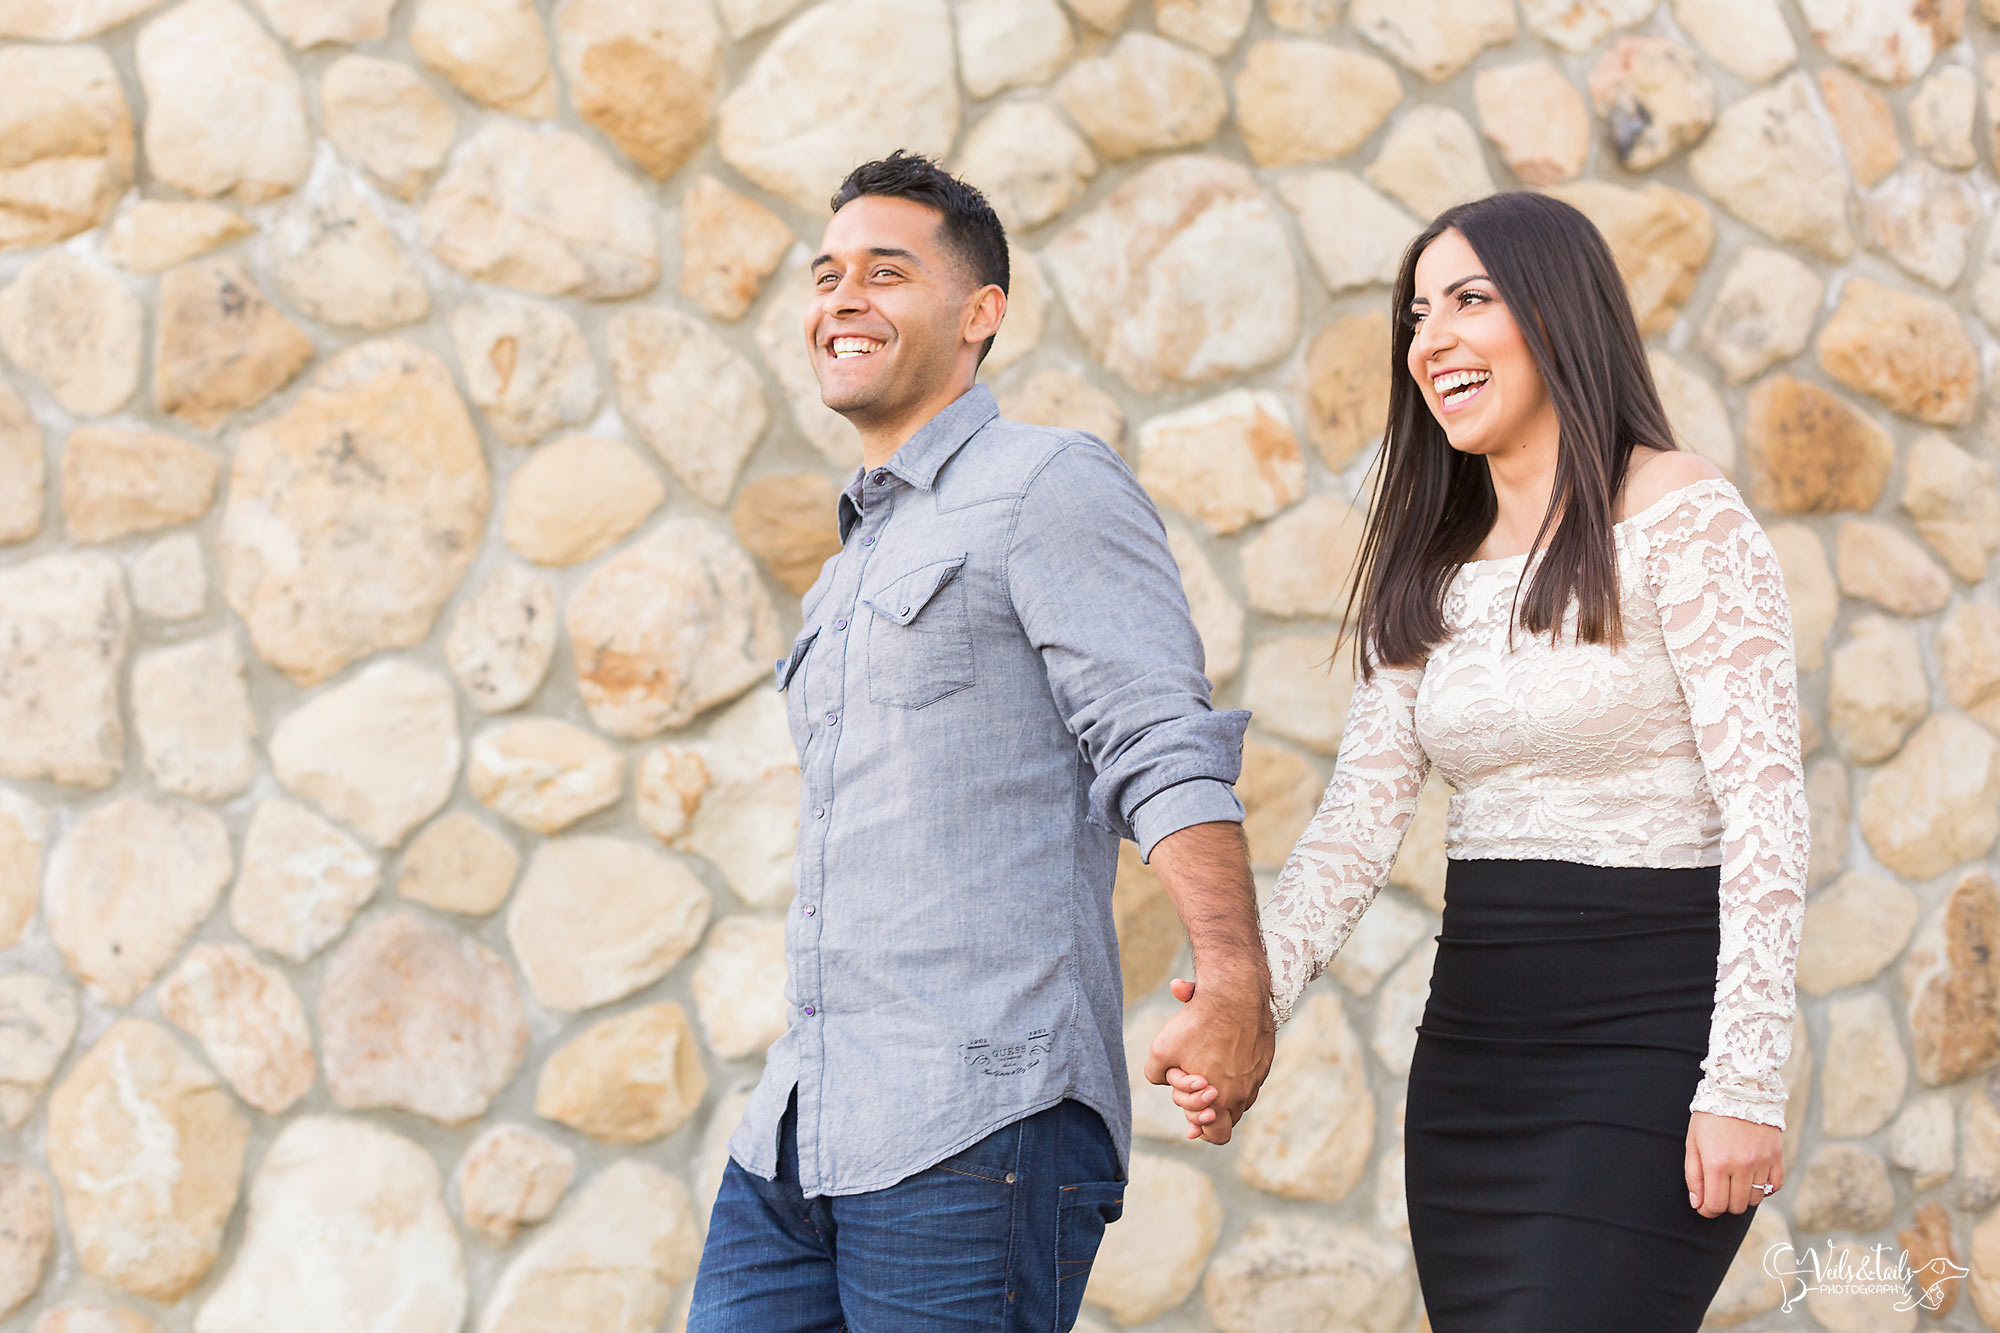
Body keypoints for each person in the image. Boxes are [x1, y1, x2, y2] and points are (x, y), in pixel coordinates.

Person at [1167, 192, 1808, 1330]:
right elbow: (1357, 821)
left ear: (1559, 313)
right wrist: (1245, 993)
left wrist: (1745, 1079)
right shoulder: (1430, 562)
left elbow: (1768, 812)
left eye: (1470, 299)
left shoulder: (1683, 515)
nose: (1431, 340)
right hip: (1474, 1060)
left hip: (1648, 1051)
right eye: (1417, 314)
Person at [687, 151, 1275, 1333]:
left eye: (885, 272)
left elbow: (1156, 738)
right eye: (825, 274)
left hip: (973, 1125)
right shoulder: (848, 567)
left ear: (978, 314)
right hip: (799, 1136)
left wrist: (1234, 980)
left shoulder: (1045, 483)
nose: (840, 299)